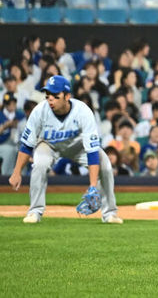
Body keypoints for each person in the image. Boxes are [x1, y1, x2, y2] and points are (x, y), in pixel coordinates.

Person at [8, 75, 122, 224]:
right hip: (49, 145)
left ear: (67, 96)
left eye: (55, 96)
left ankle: (110, 214)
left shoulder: (83, 111)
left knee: (105, 165)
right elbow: (27, 145)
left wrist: (93, 186)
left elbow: (92, 151)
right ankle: (34, 212)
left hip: (78, 146)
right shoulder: (39, 111)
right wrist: (16, 172)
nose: (50, 100)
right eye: (48, 95)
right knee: (40, 163)